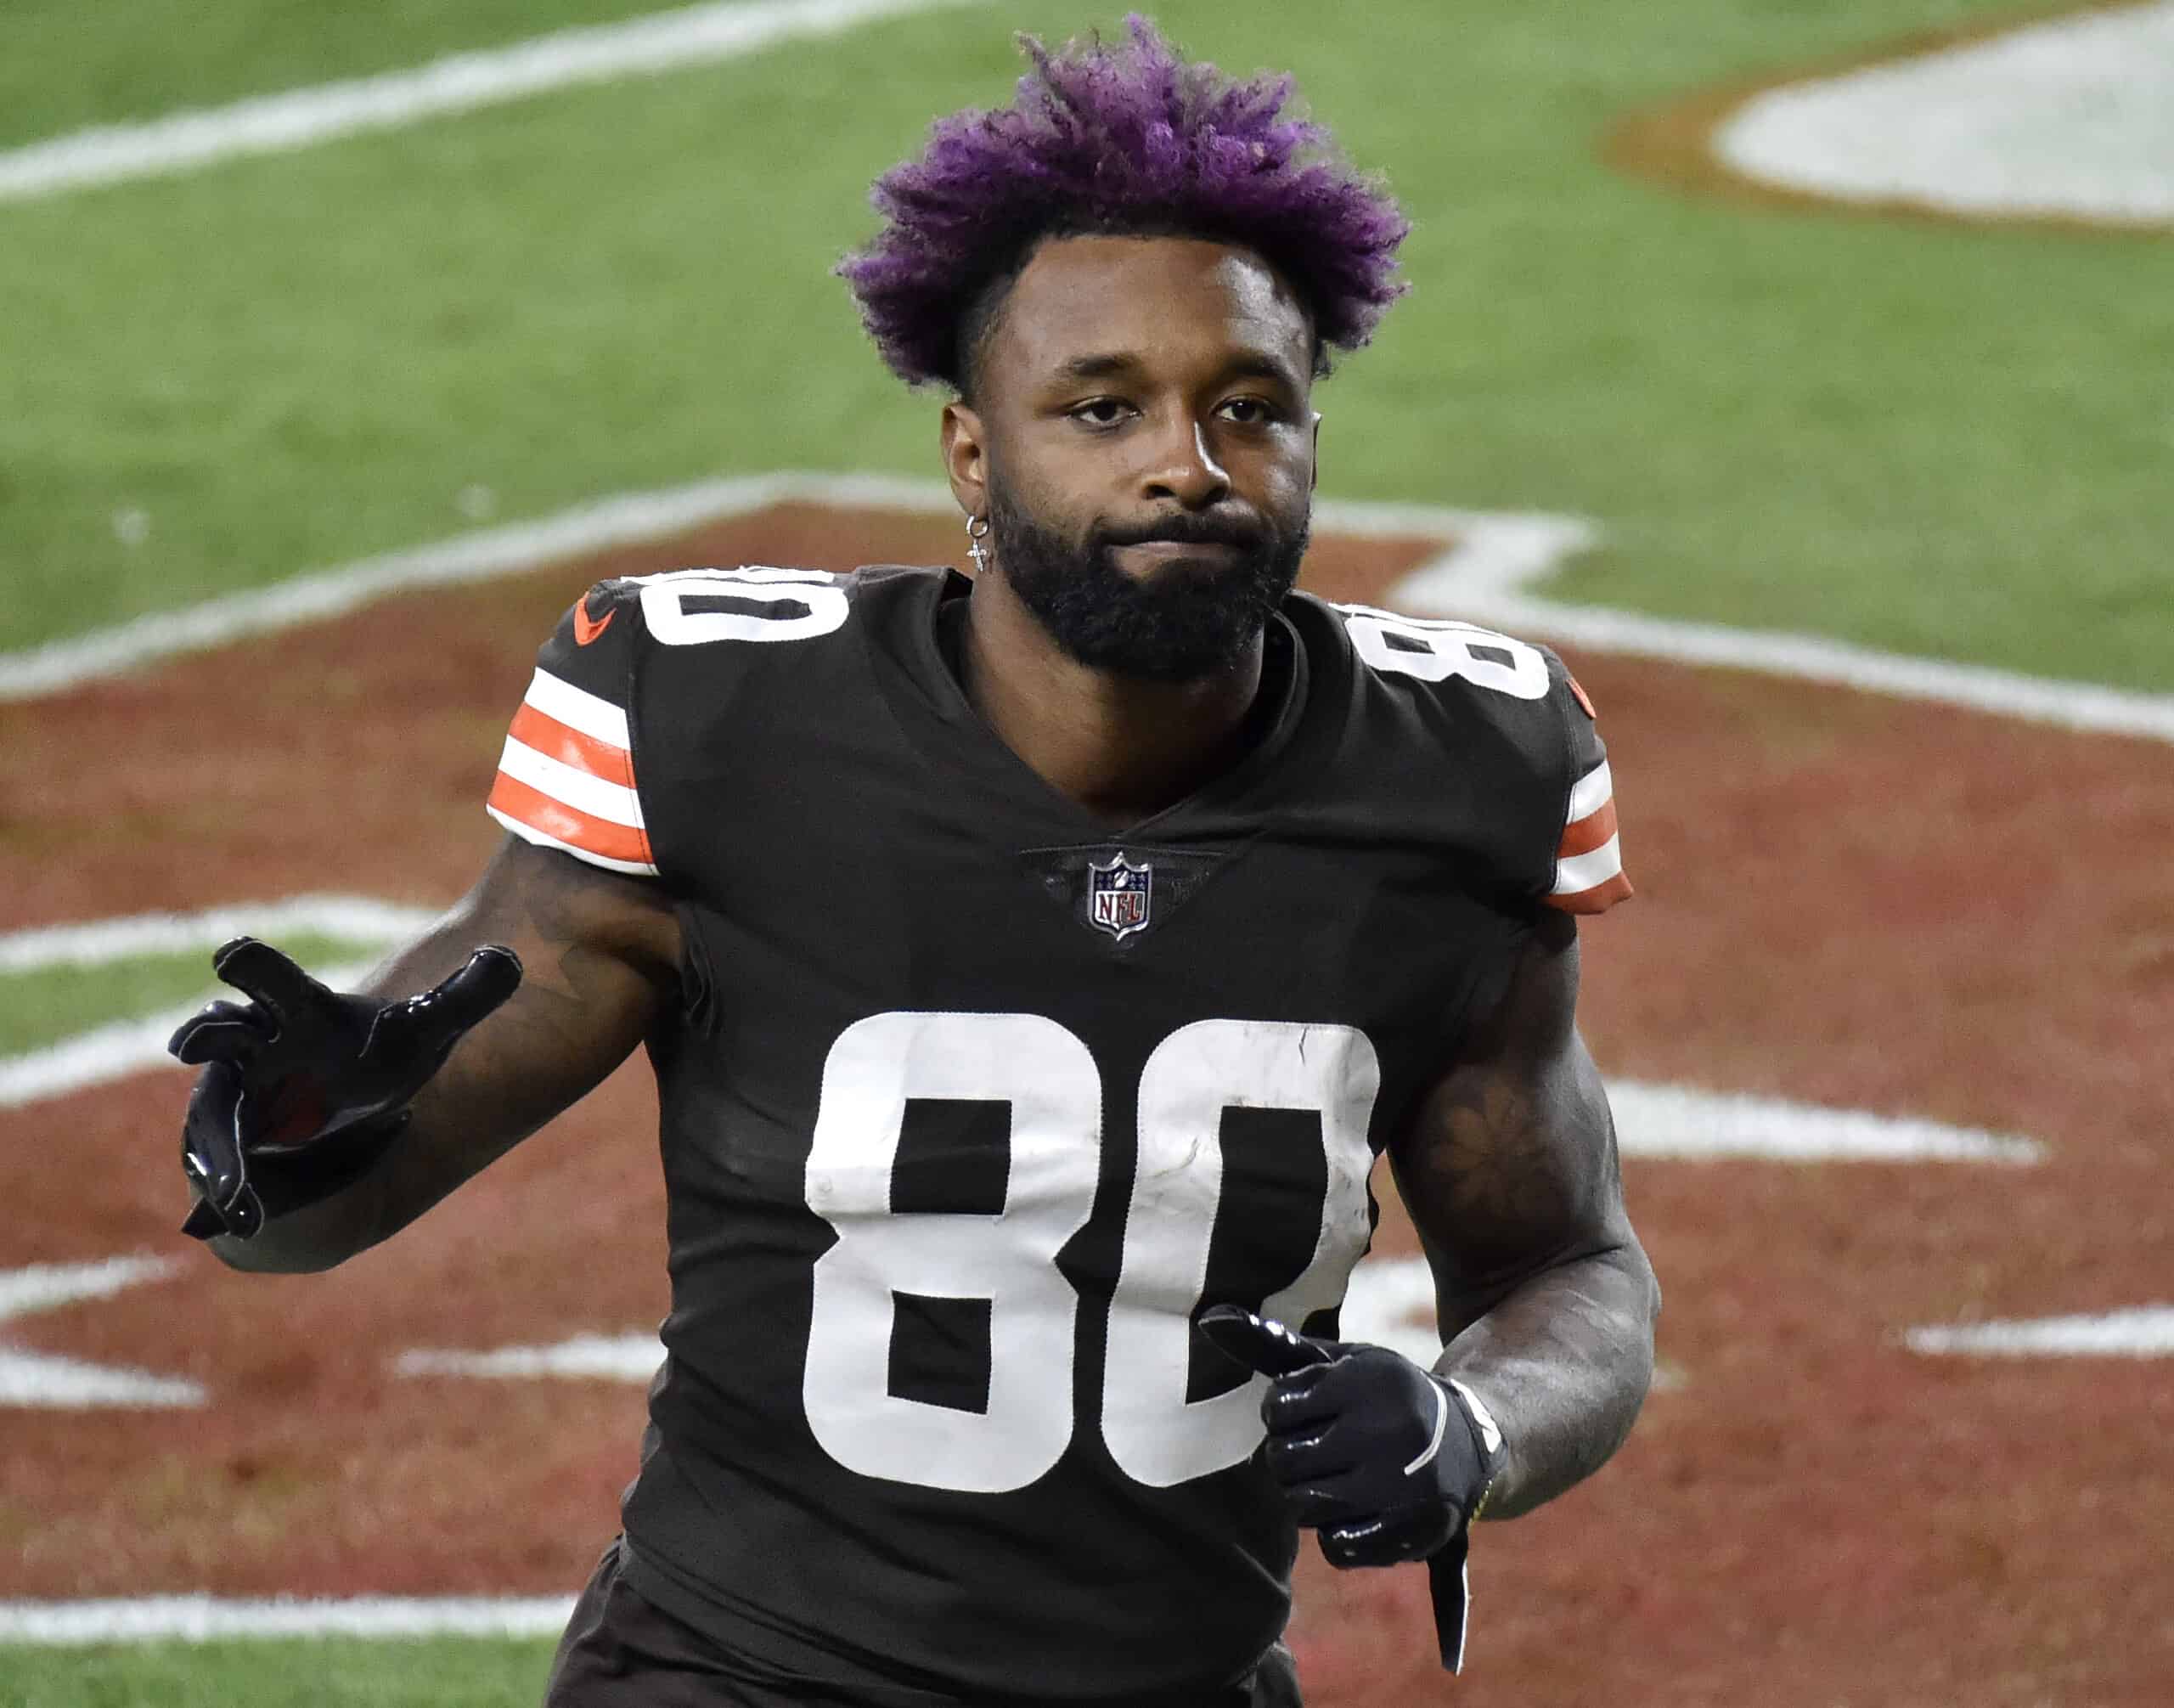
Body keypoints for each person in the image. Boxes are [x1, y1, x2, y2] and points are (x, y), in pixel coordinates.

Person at [170, 18, 1659, 1706]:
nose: (1188, 461)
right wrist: (278, 1150)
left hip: (1182, 1674)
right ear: (972, 454)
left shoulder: (1460, 772)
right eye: (1101, 408)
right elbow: (296, 1226)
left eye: (1248, 407)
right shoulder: (722, 726)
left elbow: (1565, 1269)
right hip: (739, 1669)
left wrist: (1470, 1426)